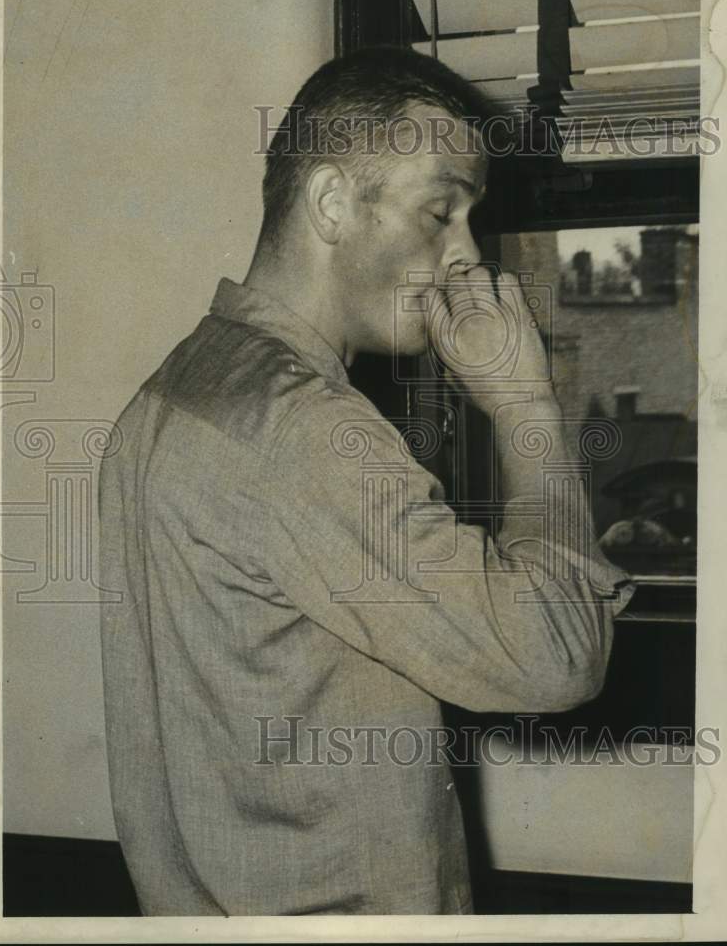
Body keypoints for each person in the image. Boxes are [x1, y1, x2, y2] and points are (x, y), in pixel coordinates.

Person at [99, 46, 634, 916]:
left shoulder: (175, 390)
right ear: (332, 203)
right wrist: (525, 405)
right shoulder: (308, 430)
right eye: (440, 212)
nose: (467, 256)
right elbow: (555, 659)